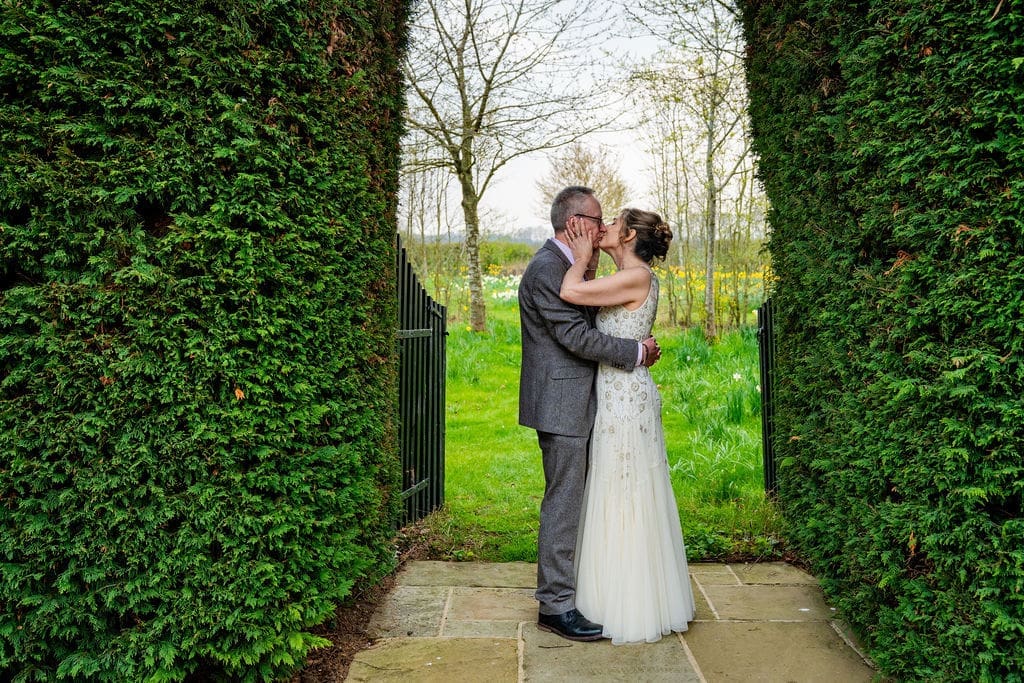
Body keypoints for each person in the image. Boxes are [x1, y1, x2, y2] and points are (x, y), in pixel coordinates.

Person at [518, 186, 662, 642]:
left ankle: (581, 591)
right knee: (563, 505)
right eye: (597, 220)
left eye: (608, 223)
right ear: (575, 222)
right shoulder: (547, 269)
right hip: (562, 404)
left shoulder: (574, 265)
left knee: (582, 501)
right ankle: (555, 607)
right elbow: (575, 338)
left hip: (592, 401)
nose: (602, 229)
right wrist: (636, 350)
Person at [560, 207, 696, 644]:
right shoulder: (630, 275)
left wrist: (580, 256)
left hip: (626, 399)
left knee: (626, 489)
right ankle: (608, 592)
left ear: (630, 235)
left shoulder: (636, 276)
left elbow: (570, 292)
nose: (605, 229)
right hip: (619, 391)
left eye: (613, 224)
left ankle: (629, 602)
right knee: (614, 487)